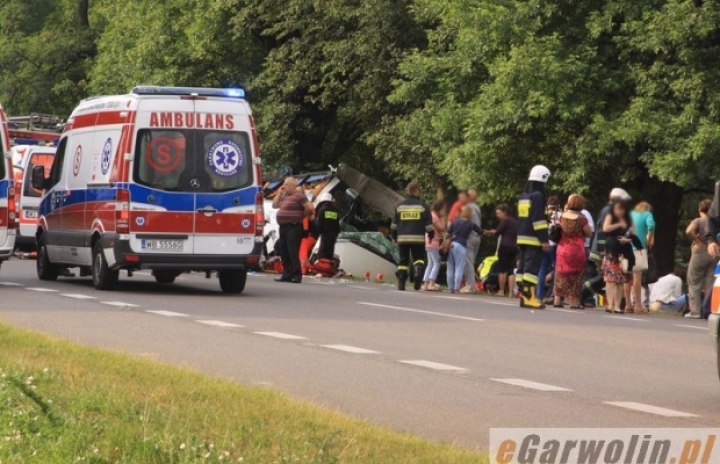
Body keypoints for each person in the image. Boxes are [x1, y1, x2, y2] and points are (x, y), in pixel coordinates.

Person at [517, 165, 551, 309]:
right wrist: (544, 239)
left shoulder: (524, 196)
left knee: (523, 269)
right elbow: (538, 220)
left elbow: (526, 217)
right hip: (533, 239)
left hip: (522, 237)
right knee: (531, 270)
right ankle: (529, 298)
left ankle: (525, 298)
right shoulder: (538, 196)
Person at [391, 182, 434, 291]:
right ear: (416, 190)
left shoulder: (400, 206)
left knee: (403, 261)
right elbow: (429, 226)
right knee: (419, 259)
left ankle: (401, 283)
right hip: (418, 238)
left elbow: (394, 225)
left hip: (403, 238)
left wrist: (394, 237)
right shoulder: (423, 206)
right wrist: (431, 235)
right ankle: (418, 274)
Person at [553, 195, 593, 308]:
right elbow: (590, 234)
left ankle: (557, 300)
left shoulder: (562, 217)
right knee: (577, 275)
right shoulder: (582, 218)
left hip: (562, 248)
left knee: (560, 273)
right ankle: (574, 302)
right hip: (577, 249)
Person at [273, 177, 314, 283]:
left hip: (294, 226)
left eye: (286, 185)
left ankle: (297, 274)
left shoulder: (299, 196)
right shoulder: (284, 196)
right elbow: (274, 205)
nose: (284, 186)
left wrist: (301, 216)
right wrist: (279, 193)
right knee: (284, 250)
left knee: (292, 251)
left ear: (292, 186)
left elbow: (309, 208)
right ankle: (287, 273)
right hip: (283, 226)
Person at [685, 199, 717, 318]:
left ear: (699, 209)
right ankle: (708, 310)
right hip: (714, 252)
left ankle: (695, 311)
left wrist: (697, 240)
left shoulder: (698, 220)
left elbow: (688, 231)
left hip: (699, 252)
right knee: (711, 283)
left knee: (694, 281)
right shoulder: (715, 223)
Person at [602, 199, 635, 313]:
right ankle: (609, 304)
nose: (620, 211)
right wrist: (618, 224)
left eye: (622, 209)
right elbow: (605, 229)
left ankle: (617, 305)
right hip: (611, 249)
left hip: (623, 251)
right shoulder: (610, 217)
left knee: (620, 280)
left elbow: (633, 235)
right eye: (617, 209)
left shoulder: (629, 220)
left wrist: (627, 239)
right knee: (610, 279)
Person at [446, 206, 483, 293]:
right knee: (459, 267)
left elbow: (448, 233)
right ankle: (456, 288)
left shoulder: (455, 221)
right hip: (461, 246)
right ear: (470, 215)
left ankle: (450, 288)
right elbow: (480, 231)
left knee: (450, 267)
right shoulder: (470, 224)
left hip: (452, 244)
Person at [627, 201, 655, 312]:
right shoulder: (647, 214)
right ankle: (638, 305)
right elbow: (651, 225)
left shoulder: (630, 214)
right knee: (636, 277)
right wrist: (650, 237)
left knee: (627, 278)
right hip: (638, 248)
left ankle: (628, 305)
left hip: (626, 247)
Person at [485, 204, 518, 297]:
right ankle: (511, 292)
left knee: (502, 270)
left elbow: (497, 232)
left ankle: (502, 290)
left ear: (505, 212)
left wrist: (488, 232)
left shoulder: (505, 220)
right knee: (511, 270)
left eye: (499, 213)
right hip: (514, 247)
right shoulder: (515, 222)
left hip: (505, 246)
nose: (497, 215)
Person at [537, 196, 561, 302]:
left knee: (542, 270)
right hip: (555, 245)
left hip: (544, 244)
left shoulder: (543, 215)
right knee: (558, 270)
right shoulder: (560, 215)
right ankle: (554, 295)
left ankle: (539, 295)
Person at [461, 188, 483, 293]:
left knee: (468, 263)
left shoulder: (468, 208)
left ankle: (471, 287)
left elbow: (464, 222)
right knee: (471, 262)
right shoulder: (477, 208)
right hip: (477, 237)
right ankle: (468, 284)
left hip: (469, 238)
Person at [422, 200, 446, 292]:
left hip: (428, 242)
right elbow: (441, 228)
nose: (444, 211)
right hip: (433, 243)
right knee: (437, 262)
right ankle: (431, 283)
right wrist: (443, 218)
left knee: (430, 263)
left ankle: (425, 284)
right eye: (443, 209)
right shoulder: (434, 217)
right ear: (439, 208)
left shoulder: (430, 215)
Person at [314, 192, 341, 262]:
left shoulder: (322, 210)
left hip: (325, 234)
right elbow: (337, 223)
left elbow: (320, 224)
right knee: (329, 253)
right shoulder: (335, 210)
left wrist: (317, 232)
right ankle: (328, 267)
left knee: (322, 253)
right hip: (333, 234)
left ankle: (322, 267)